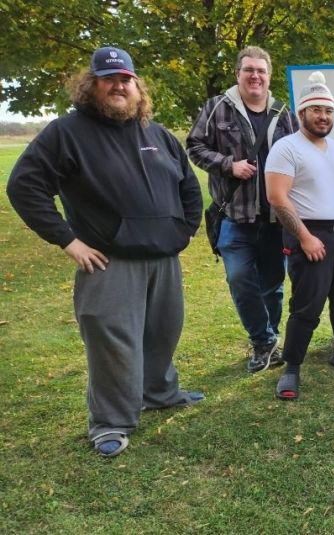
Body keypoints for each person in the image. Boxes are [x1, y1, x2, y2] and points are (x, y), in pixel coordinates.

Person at [6, 46, 204, 457]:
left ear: (137, 85)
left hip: (163, 258)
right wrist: (68, 240)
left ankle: (160, 393)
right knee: (113, 341)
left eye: (125, 78)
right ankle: (110, 422)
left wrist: (184, 230)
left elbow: (187, 183)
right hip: (110, 261)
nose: (119, 85)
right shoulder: (67, 132)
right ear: (91, 85)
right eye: (108, 78)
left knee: (162, 333)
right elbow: (24, 186)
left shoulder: (158, 133)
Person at [187, 46, 298, 373]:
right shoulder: (216, 108)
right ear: (238, 74)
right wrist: (227, 165)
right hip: (233, 214)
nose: (255, 76)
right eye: (249, 70)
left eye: (261, 71)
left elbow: (297, 155)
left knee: (273, 284)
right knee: (239, 278)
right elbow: (194, 145)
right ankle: (263, 340)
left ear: (269, 76)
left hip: (274, 217)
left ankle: (269, 340)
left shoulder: (284, 113)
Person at [265, 72, 334, 401]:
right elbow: (277, 198)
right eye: (316, 110)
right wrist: (304, 237)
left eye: (328, 111)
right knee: (306, 306)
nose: (323, 116)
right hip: (307, 234)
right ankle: (291, 368)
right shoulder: (286, 148)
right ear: (302, 114)